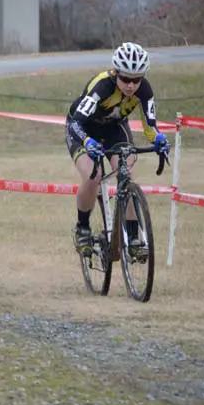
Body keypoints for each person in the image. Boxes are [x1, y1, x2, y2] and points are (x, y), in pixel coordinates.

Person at [66, 42, 169, 256]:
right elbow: (76, 123)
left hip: (114, 128)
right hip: (83, 129)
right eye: (126, 79)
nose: (131, 85)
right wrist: (87, 142)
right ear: (116, 73)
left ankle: (132, 237)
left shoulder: (145, 91)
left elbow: (150, 128)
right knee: (94, 176)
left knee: (125, 172)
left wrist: (159, 139)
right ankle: (82, 227)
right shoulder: (102, 86)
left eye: (136, 80)